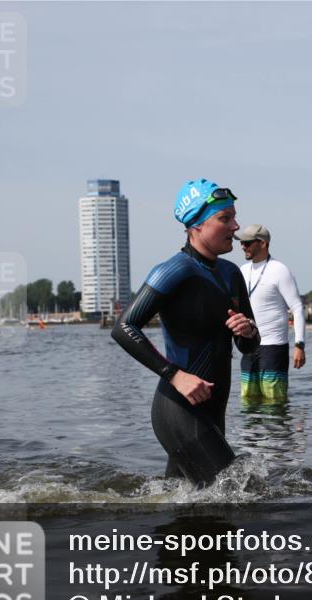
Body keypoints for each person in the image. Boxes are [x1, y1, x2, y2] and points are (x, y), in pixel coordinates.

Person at [112, 179, 259, 486]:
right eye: (225, 218)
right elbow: (124, 327)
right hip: (178, 408)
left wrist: (247, 330)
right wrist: (175, 375)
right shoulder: (174, 271)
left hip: (213, 409)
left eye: (234, 217)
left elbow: (248, 345)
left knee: (185, 504)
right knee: (235, 492)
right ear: (196, 225)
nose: (236, 226)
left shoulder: (232, 274)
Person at [235, 224, 306, 402]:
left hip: (274, 347)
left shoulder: (280, 270)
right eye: (242, 243)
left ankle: (278, 431)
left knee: (274, 403)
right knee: (248, 401)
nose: (243, 246)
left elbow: (297, 308)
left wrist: (299, 346)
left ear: (263, 243)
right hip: (249, 346)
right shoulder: (242, 271)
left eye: (248, 243)